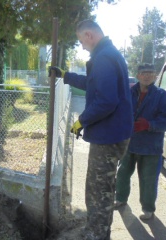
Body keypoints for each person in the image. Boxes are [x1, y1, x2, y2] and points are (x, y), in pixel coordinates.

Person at [49, 19, 133, 240]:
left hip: (108, 138)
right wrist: (65, 76)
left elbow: (106, 101)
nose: (82, 46)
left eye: (81, 41)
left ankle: (95, 235)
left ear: (89, 35)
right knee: (104, 188)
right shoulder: (108, 54)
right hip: (114, 134)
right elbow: (93, 84)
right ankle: (100, 232)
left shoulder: (104, 58)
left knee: (98, 192)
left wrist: (81, 121)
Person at [114, 63, 166, 220]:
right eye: (144, 72)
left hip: (151, 147)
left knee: (148, 180)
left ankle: (148, 209)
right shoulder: (128, 93)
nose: (147, 75)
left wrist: (149, 124)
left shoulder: (163, 97)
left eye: (151, 72)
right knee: (122, 174)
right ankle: (120, 199)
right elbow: (118, 111)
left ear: (156, 76)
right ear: (138, 75)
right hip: (129, 143)